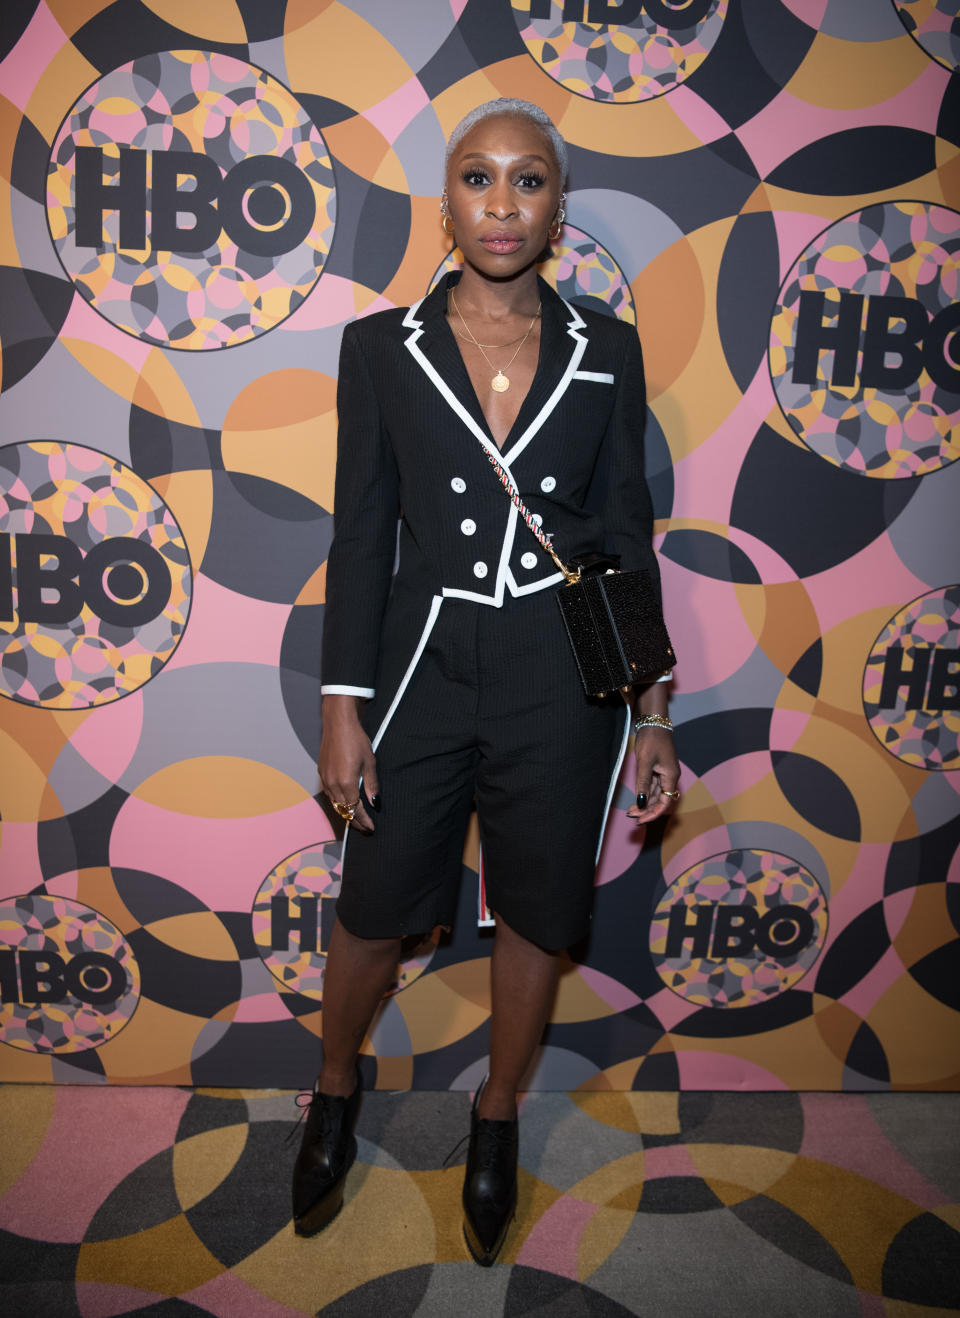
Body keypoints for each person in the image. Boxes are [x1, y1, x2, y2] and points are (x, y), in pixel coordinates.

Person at [292, 97, 680, 1265]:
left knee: (537, 908)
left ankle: (498, 1111)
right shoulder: (379, 346)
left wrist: (654, 713)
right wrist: (341, 708)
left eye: (527, 181)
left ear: (557, 207)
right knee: (373, 910)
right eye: (478, 177)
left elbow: (626, 529)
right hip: (421, 663)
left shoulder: (605, 350)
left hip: (563, 676)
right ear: (446, 199)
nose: (502, 204)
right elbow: (362, 536)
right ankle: (333, 1080)